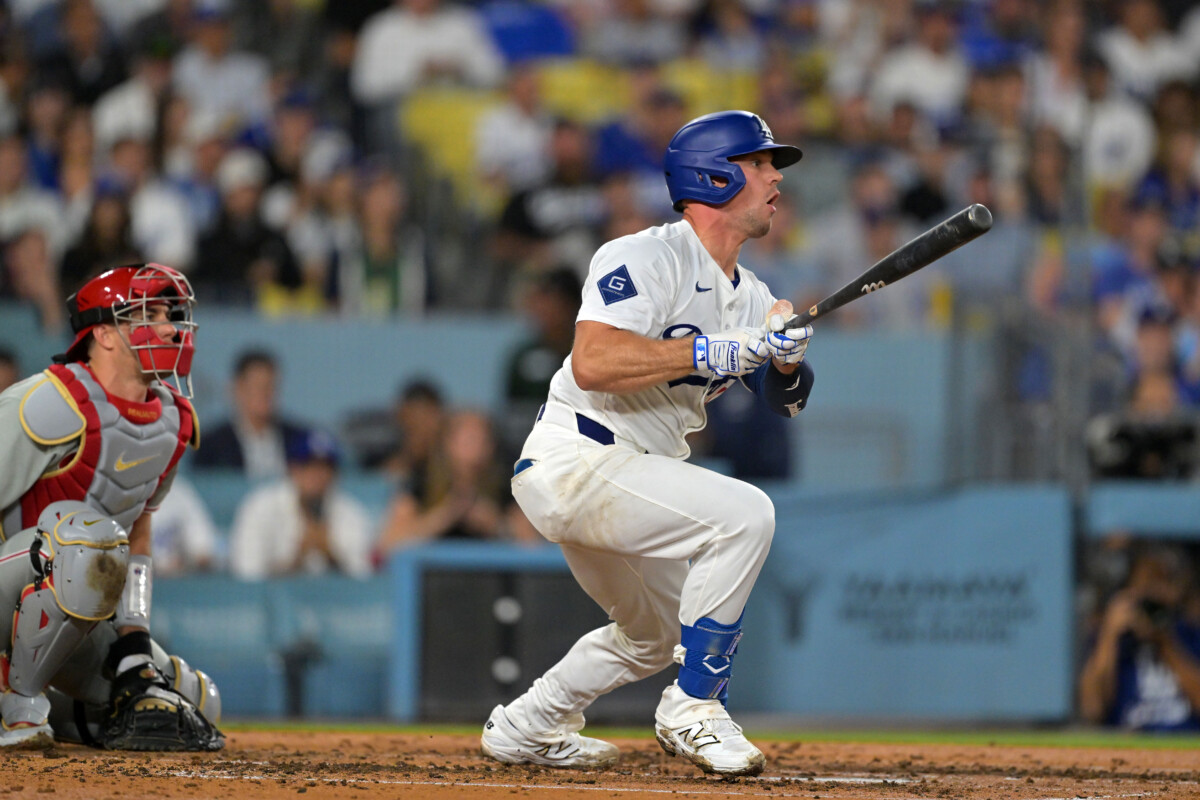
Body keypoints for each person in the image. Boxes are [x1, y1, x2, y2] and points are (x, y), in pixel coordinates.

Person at [480, 111, 815, 776]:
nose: (776, 177)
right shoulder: (645, 254)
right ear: (716, 175)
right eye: (759, 163)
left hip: (628, 473)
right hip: (580, 456)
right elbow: (593, 362)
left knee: (654, 634)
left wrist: (785, 362)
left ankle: (529, 724)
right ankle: (695, 706)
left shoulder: (752, 296)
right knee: (746, 516)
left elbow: (790, 402)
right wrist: (708, 349)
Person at [0, 263, 223, 750]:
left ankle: (50, 710)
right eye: (148, 314)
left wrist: (134, 644)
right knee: (85, 537)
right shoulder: (46, 401)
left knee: (190, 700)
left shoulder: (170, 421)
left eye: (169, 313)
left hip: (63, 609)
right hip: (10, 587)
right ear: (102, 333)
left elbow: (139, 531)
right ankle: (18, 703)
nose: (168, 327)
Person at [1078, 544, 1200, 730]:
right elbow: (1092, 709)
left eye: (1161, 583)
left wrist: (1164, 643)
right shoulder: (1116, 639)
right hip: (1130, 744)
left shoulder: (1188, 632)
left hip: (1182, 743)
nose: (1152, 593)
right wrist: (1109, 636)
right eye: (1146, 584)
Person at [228, 429, 374, 579]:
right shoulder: (261, 506)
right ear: (293, 469)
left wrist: (331, 554)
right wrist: (296, 559)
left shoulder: (350, 511)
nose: (317, 475)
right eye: (308, 466)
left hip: (334, 601)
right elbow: (246, 575)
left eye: (325, 467)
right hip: (272, 601)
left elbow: (365, 578)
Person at [192, 349, 311, 480]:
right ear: (237, 389)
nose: (265, 394)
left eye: (270, 387)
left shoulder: (299, 439)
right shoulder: (211, 446)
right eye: (256, 387)